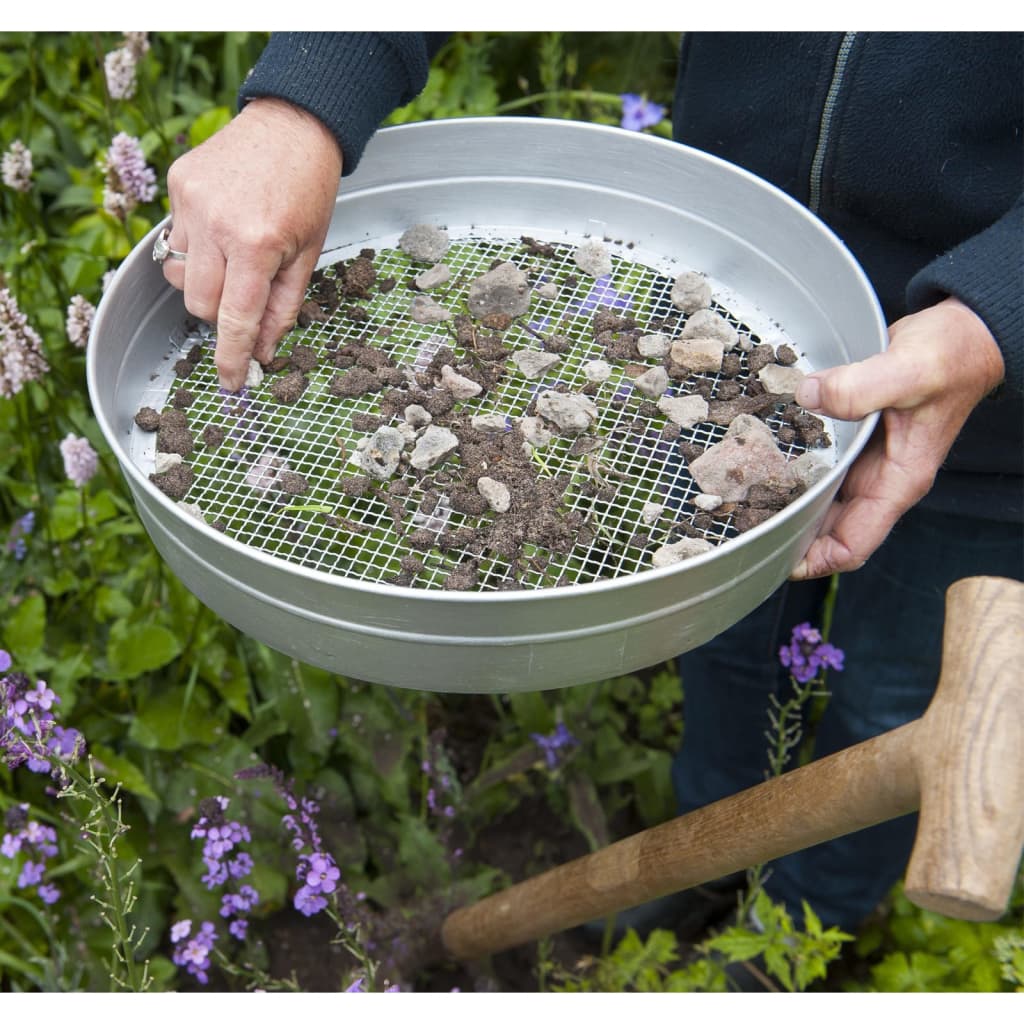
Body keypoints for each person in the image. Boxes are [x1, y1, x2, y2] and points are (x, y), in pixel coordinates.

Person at [159, 31, 1023, 957]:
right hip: (735, 318)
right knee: (722, 639)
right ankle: (708, 854)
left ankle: (804, 926)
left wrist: (998, 310)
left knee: (898, 706)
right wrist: (309, 91)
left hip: (994, 424)